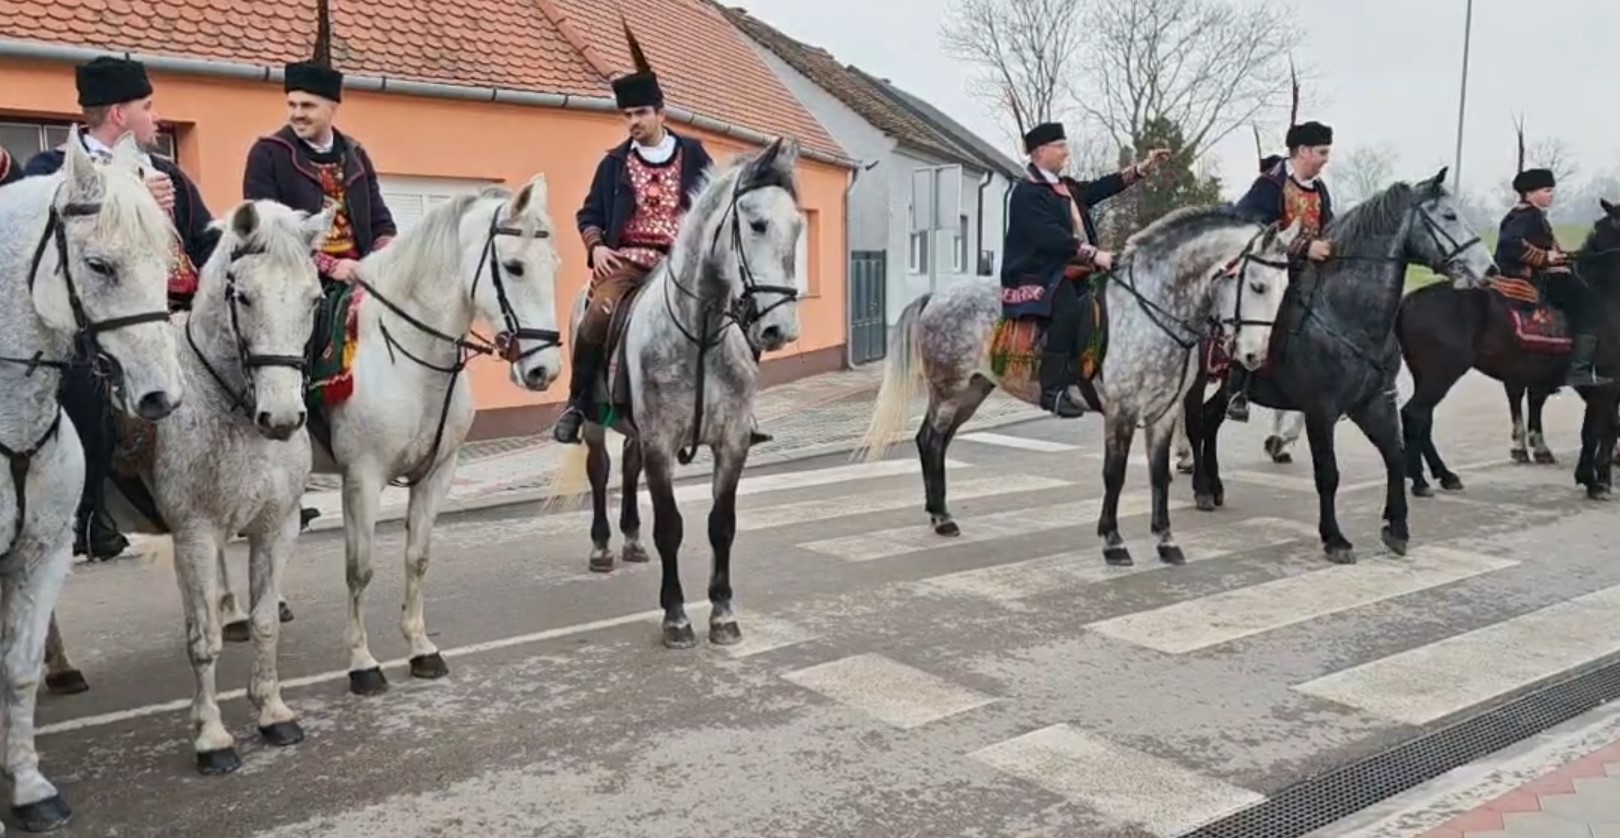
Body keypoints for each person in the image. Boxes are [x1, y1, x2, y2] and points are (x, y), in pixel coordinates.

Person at [23, 55, 221, 561]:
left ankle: (257, 491)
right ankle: (90, 515)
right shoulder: (51, 169)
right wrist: (132, 196)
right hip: (97, 320)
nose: (157, 117)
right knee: (83, 386)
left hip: (178, 310)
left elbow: (205, 240)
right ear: (118, 114)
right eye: (147, 107)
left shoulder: (167, 173)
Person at [552, 25, 771, 447]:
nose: (633, 122)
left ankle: (741, 409)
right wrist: (598, 246)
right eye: (627, 115)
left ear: (660, 113)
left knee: (740, 314)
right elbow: (589, 214)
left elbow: (714, 206)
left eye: (640, 113)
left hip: (683, 262)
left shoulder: (693, 154)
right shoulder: (614, 164)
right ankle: (577, 404)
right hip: (628, 262)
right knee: (595, 317)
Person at [243, 0, 394, 530]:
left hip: (362, 274)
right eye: (292, 104)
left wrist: (381, 259)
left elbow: (381, 219)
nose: (297, 113)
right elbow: (265, 230)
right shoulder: (268, 154)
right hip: (293, 276)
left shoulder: (356, 154)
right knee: (291, 346)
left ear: (332, 107)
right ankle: (286, 454)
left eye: (307, 105)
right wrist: (330, 268)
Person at [999, 121, 1170, 417]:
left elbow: (1100, 188)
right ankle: (1053, 391)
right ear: (1040, 152)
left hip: (1074, 268)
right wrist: (1095, 254)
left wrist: (1141, 169)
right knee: (1067, 307)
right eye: (1060, 146)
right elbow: (1049, 235)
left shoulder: (1065, 187)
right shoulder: (1027, 192)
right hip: (1039, 272)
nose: (1066, 152)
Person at [1224, 118, 1336, 421]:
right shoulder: (1270, 185)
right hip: (1270, 270)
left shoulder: (1320, 189)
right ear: (1302, 151)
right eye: (1322, 152)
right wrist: (1302, 247)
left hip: (1311, 273)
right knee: (1262, 315)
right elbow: (1250, 227)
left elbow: (1328, 226)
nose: (1326, 160)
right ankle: (1238, 387)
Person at [1496, 166, 1611, 387]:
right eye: (1547, 190)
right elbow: (1510, 246)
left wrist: (1560, 256)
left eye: (1551, 190)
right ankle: (1578, 369)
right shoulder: (1528, 215)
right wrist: (1545, 258)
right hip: (1536, 279)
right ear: (1529, 193)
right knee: (1591, 307)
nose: (1552, 195)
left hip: (1537, 273)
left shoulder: (1524, 215)